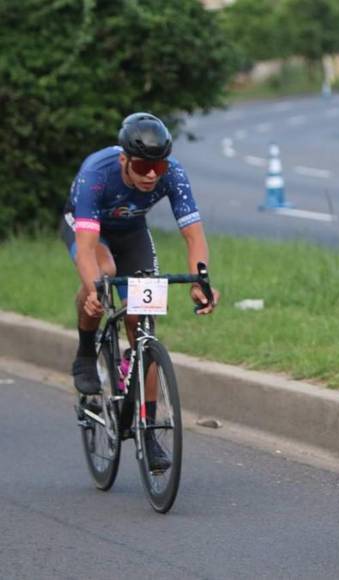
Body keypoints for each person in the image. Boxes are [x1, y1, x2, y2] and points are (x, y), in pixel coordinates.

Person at [62, 112, 220, 471]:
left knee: (142, 321)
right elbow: (86, 249)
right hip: (89, 229)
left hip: (132, 231)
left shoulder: (172, 174)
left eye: (158, 166)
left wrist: (201, 281)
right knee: (104, 275)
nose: (151, 174)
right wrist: (94, 289)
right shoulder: (96, 173)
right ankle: (87, 351)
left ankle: (147, 429)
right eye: (142, 166)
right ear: (124, 160)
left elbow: (194, 236)